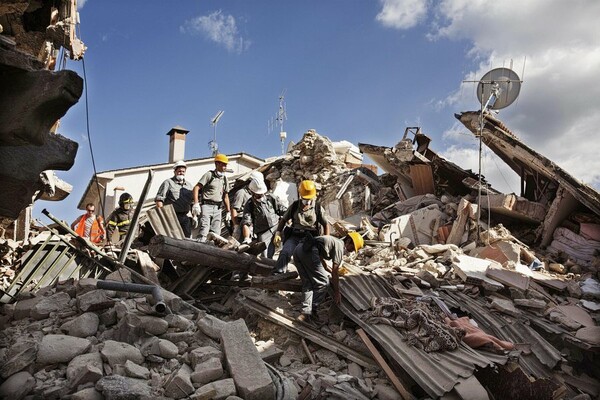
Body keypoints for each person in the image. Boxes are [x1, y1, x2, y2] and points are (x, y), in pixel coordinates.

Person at [293, 232, 364, 322]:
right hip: (309, 252)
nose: (352, 251)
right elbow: (335, 271)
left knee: (308, 283)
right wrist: (337, 292)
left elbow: (321, 258)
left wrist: (327, 270)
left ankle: (305, 313)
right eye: (353, 248)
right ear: (348, 241)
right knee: (323, 282)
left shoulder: (333, 241)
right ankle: (313, 309)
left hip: (299, 249)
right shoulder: (339, 246)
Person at [272, 180, 329, 274]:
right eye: (305, 198)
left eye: (309, 199)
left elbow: (326, 224)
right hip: (295, 235)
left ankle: (312, 280)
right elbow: (283, 220)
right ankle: (278, 275)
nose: (307, 201)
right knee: (285, 253)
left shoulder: (317, 208)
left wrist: (326, 240)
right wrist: (278, 233)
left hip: (310, 238)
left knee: (309, 259)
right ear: (300, 195)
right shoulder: (295, 206)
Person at [241, 179, 287, 258]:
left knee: (286, 249)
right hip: (263, 232)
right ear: (252, 192)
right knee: (265, 256)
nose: (261, 196)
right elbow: (246, 223)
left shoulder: (271, 197)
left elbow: (283, 210)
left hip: (277, 226)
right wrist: (246, 238)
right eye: (258, 195)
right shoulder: (250, 204)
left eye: (262, 194)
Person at [192, 154, 231, 243]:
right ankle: (201, 245)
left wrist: (228, 211)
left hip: (218, 207)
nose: (225, 167)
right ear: (217, 164)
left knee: (216, 231)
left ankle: (213, 249)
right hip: (207, 205)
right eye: (223, 164)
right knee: (204, 228)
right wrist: (196, 203)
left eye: (226, 165)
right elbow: (196, 188)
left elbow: (226, 196)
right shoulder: (209, 175)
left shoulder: (224, 179)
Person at [155, 160, 194, 237]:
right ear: (175, 171)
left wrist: (194, 216)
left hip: (185, 217)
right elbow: (159, 200)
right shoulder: (168, 183)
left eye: (183, 171)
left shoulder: (189, 185)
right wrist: (163, 216)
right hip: (172, 216)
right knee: (173, 238)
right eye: (179, 171)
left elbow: (192, 201)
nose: (181, 173)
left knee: (187, 239)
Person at [231, 171, 264, 241]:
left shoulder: (258, 194)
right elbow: (234, 209)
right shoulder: (241, 193)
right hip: (242, 221)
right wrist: (236, 226)